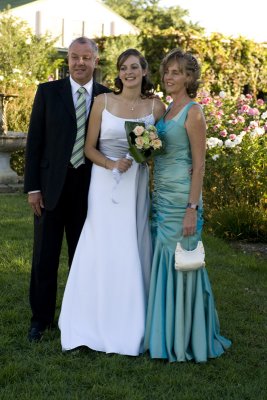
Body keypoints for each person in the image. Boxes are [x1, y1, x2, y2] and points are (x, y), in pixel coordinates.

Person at [59, 49, 165, 355]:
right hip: (105, 183)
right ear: (118, 73)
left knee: (132, 244)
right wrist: (110, 164)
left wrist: (144, 153)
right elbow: (87, 149)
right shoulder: (102, 103)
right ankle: (88, 320)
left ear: (144, 70)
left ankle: (132, 324)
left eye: (134, 66)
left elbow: (153, 151)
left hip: (136, 183)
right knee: (100, 245)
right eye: (123, 68)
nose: (128, 72)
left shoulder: (155, 106)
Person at [144, 48, 232, 362]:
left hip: (182, 202)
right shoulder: (166, 111)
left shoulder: (193, 112)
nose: (169, 77)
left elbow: (199, 166)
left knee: (184, 263)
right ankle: (163, 334)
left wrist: (191, 208)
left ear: (189, 77)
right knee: (166, 264)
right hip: (161, 200)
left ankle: (186, 338)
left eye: (176, 72)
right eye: (167, 72)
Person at [24, 37, 111, 342]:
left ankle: (78, 316)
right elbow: (34, 143)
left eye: (86, 58)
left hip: (90, 190)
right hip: (50, 188)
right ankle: (40, 319)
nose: (80, 63)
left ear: (95, 61)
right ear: (68, 60)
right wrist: (33, 188)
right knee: (44, 256)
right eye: (74, 57)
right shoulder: (48, 92)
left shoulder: (106, 97)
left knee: (83, 256)